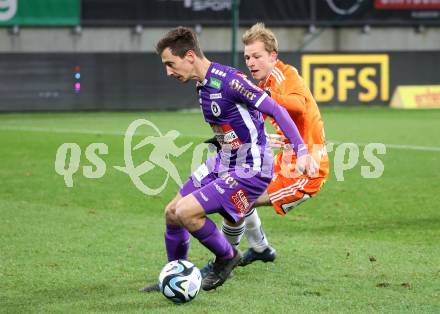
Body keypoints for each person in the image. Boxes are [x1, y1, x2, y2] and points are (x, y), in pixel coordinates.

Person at [140, 26, 317, 292]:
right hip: (224, 161)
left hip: (250, 169)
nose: (168, 71)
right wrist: (253, 137)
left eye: (170, 64)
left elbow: (275, 109)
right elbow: (239, 121)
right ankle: (176, 276)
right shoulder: (202, 85)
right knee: (172, 213)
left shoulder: (229, 81)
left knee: (187, 212)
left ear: (189, 56)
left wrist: (302, 151)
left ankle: (227, 257)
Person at [201, 22, 329, 274]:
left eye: (257, 56)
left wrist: (263, 98)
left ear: (273, 56)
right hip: (284, 161)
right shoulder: (261, 86)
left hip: (307, 170)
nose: (250, 62)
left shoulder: (284, 75)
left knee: (237, 200)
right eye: (247, 57)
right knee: (239, 191)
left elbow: (298, 106)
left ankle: (224, 262)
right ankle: (260, 249)